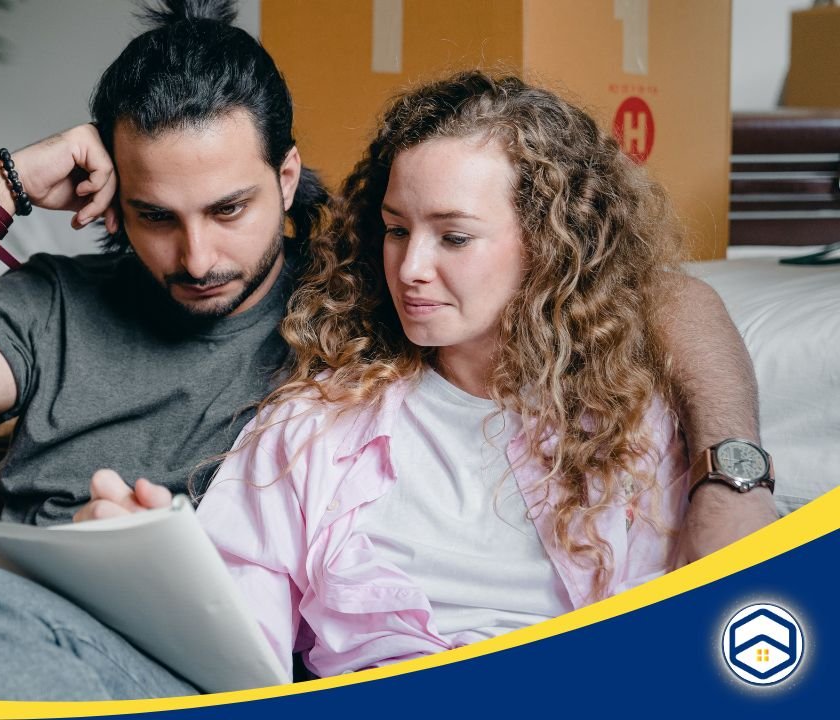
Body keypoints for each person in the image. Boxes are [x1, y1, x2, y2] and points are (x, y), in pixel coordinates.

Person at [0, 0, 770, 695]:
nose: (197, 254)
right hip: (4, 638)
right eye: (155, 217)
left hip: (179, 672)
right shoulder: (70, 300)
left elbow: (647, 296)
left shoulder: (368, 283)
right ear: (112, 202)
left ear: (288, 177)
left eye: (228, 212)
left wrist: (730, 469)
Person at [196, 71, 699, 679]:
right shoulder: (309, 429)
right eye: (398, 229)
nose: (411, 267)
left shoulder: (631, 425)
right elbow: (230, 643)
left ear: (550, 244)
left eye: (454, 237)